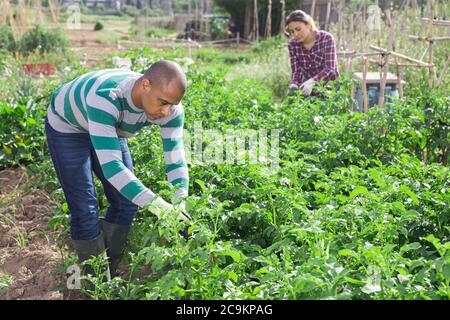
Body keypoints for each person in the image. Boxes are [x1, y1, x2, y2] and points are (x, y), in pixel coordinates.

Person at [45, 60, 191, 279]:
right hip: (69, 127)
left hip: (109, 127)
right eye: (162, 102)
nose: (165, 111)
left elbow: (176, 160)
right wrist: (161, 208)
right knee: (85, 207)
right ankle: (94, 284)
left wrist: (180, 206)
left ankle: (107, 275)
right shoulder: (106, 97)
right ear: (145, 85)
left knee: (126, 203)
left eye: (171, 104)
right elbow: (113, 168)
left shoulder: (170, 109)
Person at [285, 10, 340, 97]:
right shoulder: (293, 45)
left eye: (298, 29)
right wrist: (294, 84)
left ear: (309, 24)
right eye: (292, 31)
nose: (295, 34)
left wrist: (313, 81)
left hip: (330, 90)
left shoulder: (326, 38)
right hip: (307, 90)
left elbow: (330, 69)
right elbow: (297, 70)